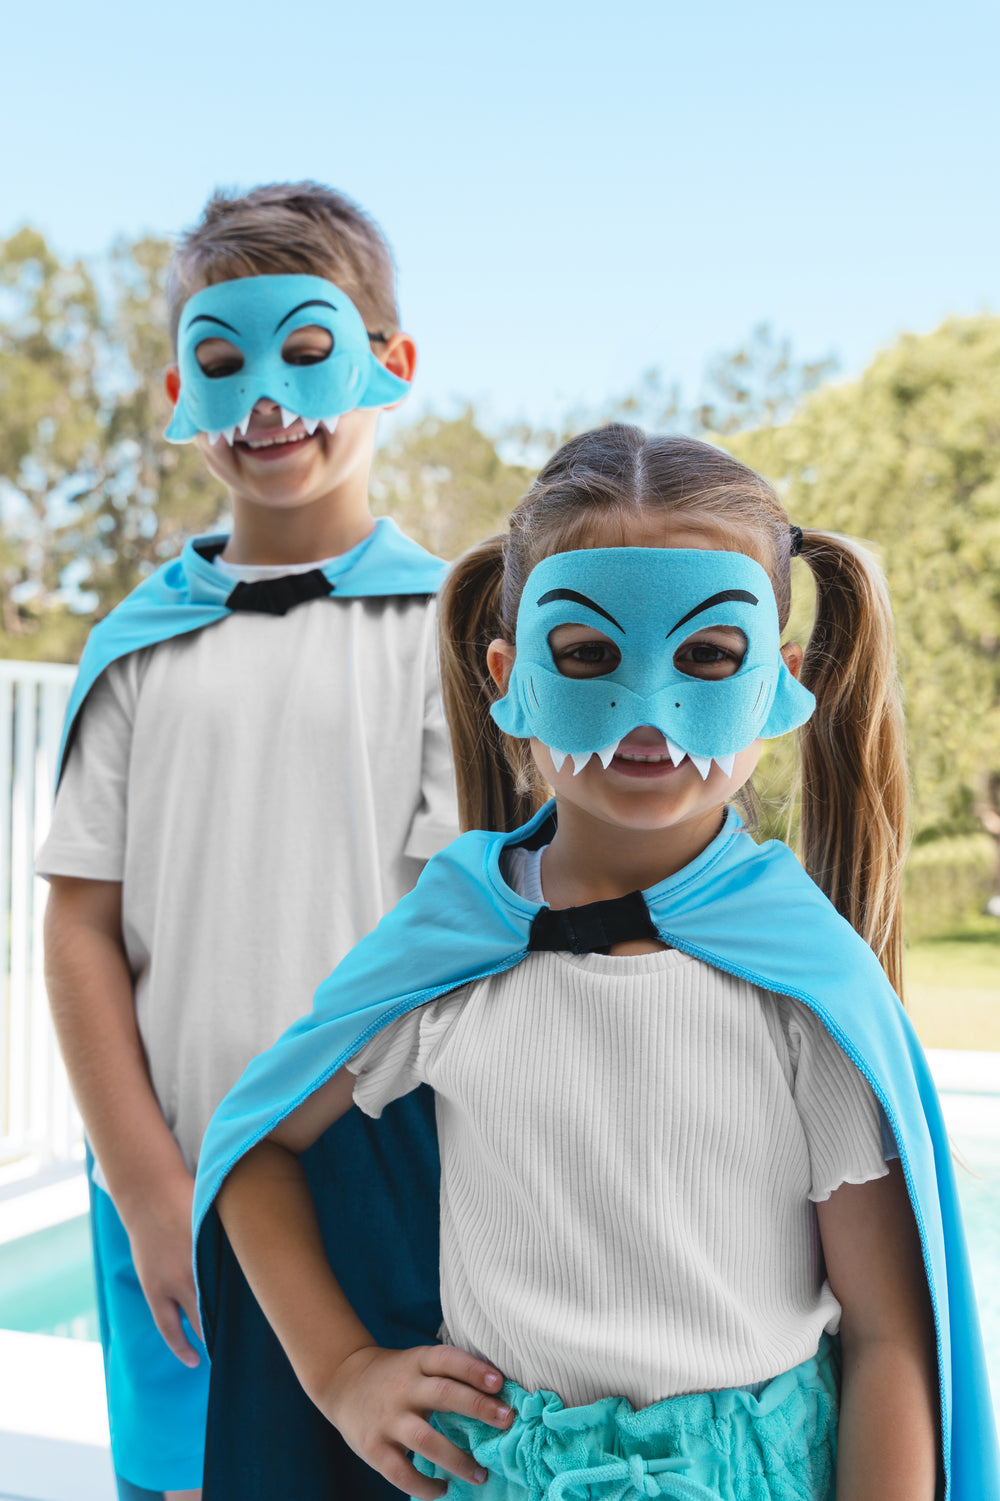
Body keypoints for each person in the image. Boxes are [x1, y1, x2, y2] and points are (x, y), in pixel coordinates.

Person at [194, 426, 999, 1501]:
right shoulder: (456, 940)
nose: (649, 713)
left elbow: (891, 1335)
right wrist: (341, 1371)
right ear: (510, 676)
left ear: (778, 683)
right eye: (587, 655)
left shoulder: (802, 982)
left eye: (708, 655)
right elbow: (253, 1146)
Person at [38, 181, 457, 1501]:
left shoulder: (453, 641)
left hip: (391, 1180)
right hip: (171, 1176)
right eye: (224, 364)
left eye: (306, 350)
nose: (266, 401)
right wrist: (154, 1187)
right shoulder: (135, 649)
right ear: (180, 389)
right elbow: (77, 927)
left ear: (392, 364)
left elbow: (452, 935)